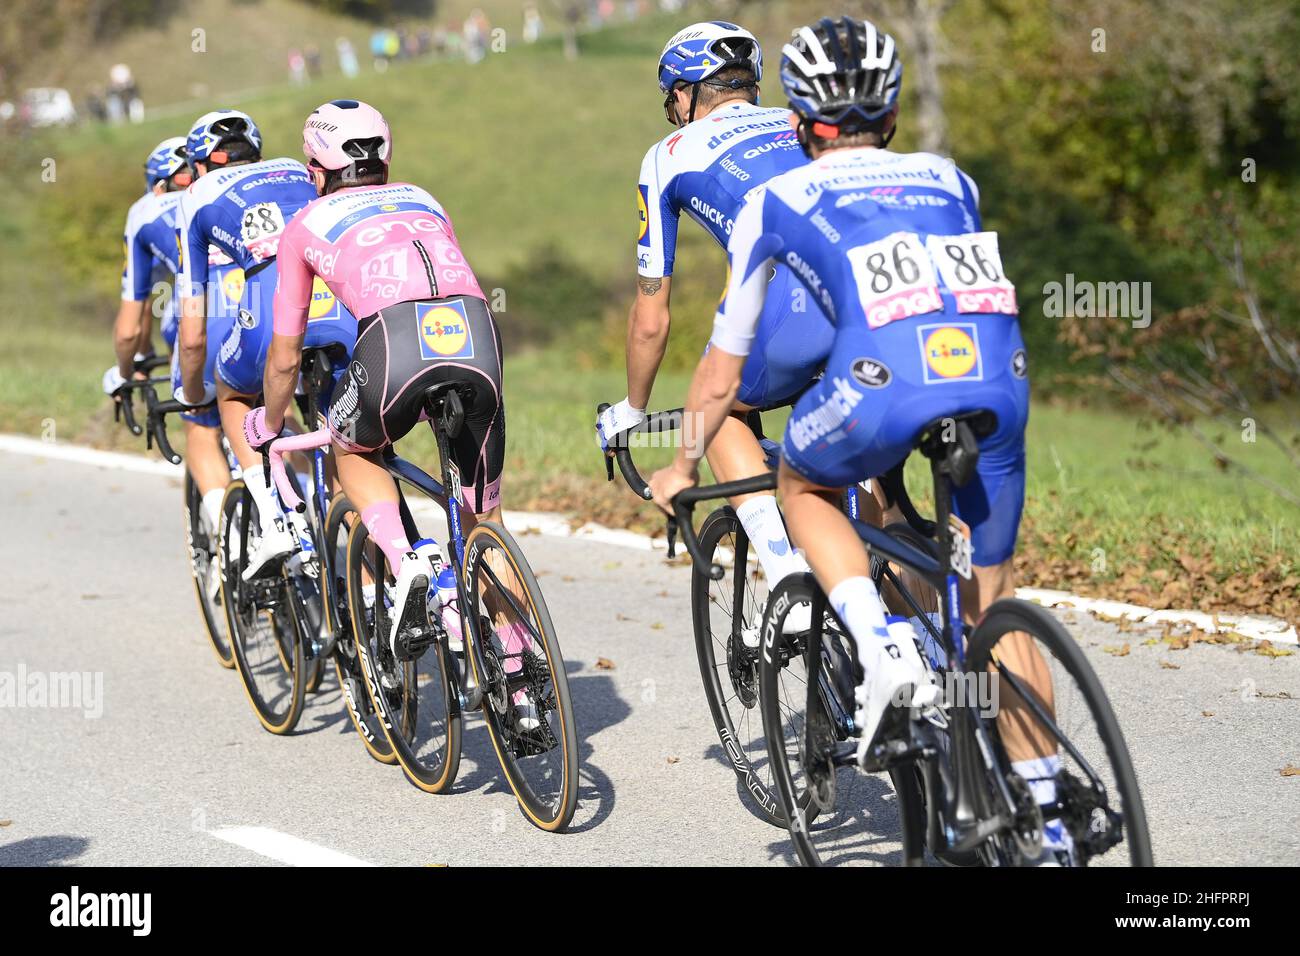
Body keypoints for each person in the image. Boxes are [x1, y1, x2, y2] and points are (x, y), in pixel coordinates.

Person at [648, 17, 1065, 863]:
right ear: (895, 116)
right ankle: (1053, 813)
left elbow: (723, 375)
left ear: (801, 126)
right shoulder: (952, 175)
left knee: (800, 483)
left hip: (883, 377)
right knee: (991, 595)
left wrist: (681, 463)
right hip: (998, 378)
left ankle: (879, 649)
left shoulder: (779, 196)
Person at [239, 100, 534, 729]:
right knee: (483, 516)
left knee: (353, 448)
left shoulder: (305, 225)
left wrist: (269, 422)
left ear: (315, 168)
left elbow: (286, 354)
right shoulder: (424, 198)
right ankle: (519, 672)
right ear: (385, 156)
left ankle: (408, 562)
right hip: (478, 337)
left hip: (395, 344)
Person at [596, 20, 834, 638]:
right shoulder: (800, 121)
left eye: (672, 97)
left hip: (783, 314)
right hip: (867, 305)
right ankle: (918, 642)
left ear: (685, 93)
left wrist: (632, 407)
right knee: (868, 492)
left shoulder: (666, 156)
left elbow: (651, 318)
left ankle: (784, 575)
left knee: (720, 401)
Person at [175, 108, 357, 579]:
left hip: (271, 318)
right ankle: (357, 562)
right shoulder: (298, 169)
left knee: (235, 391)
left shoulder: (196, 196)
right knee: (342, 443)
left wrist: (194, 395)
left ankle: (273, 516)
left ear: (200, 165)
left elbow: (192, 334)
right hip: (340, 309)